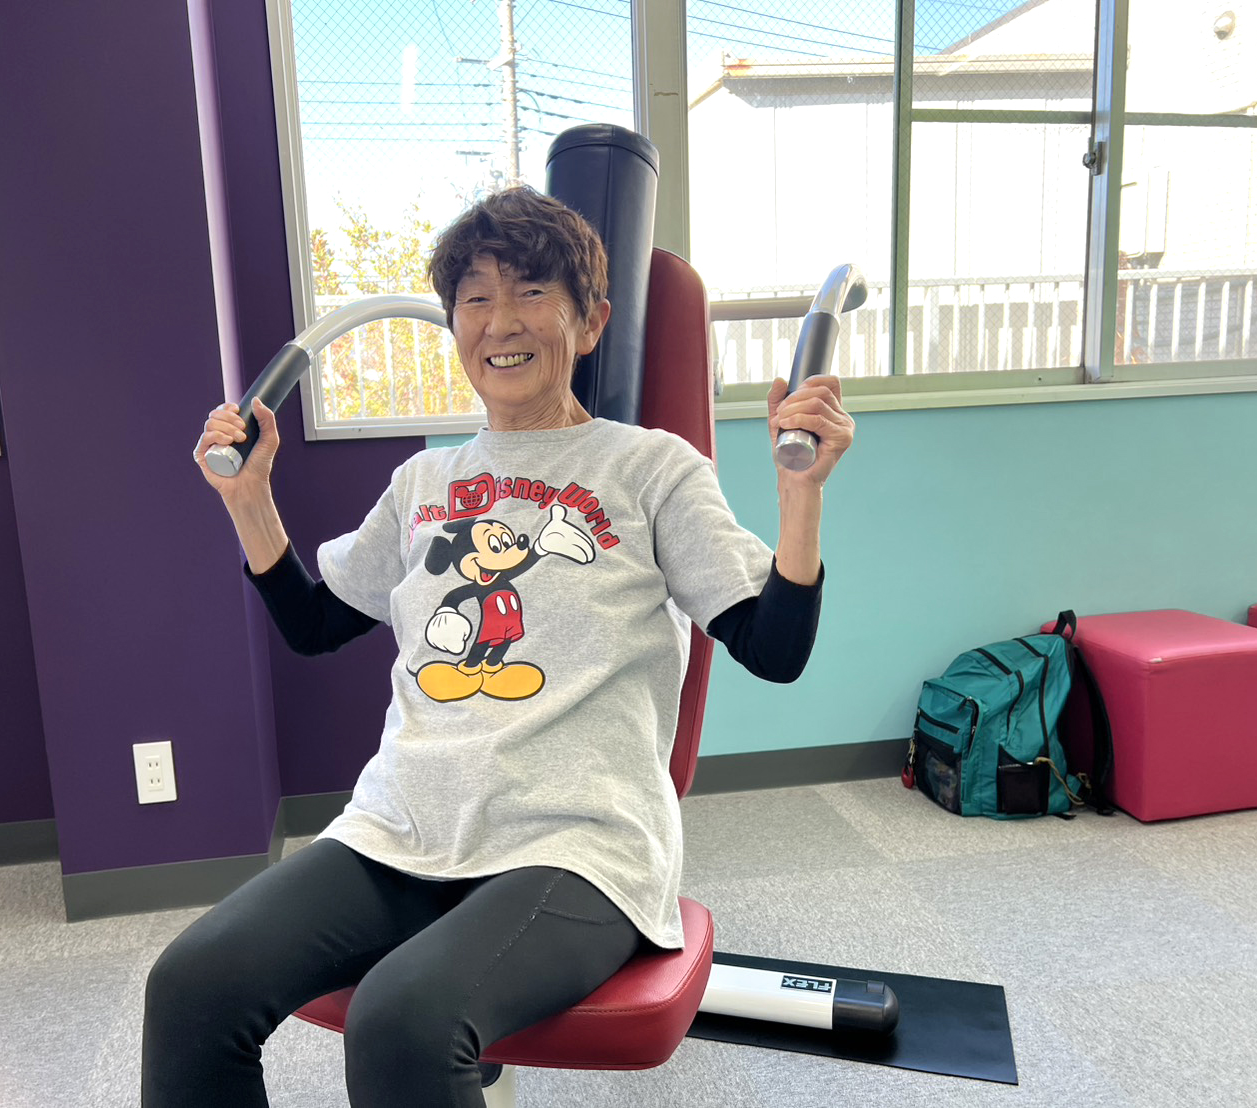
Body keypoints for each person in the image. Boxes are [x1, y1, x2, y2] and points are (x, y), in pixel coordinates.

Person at [143, 185, 854, 1107]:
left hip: (577, 845)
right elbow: (316, 626)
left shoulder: (650, 468)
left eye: (530, 293)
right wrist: (248, 501)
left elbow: (772, 647)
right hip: (403, 828)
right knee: (190, 986)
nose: (500, 321)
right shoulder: (422, 481)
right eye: (474, 298)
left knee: (404, 1018)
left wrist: (801, 497)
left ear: (589, 323)